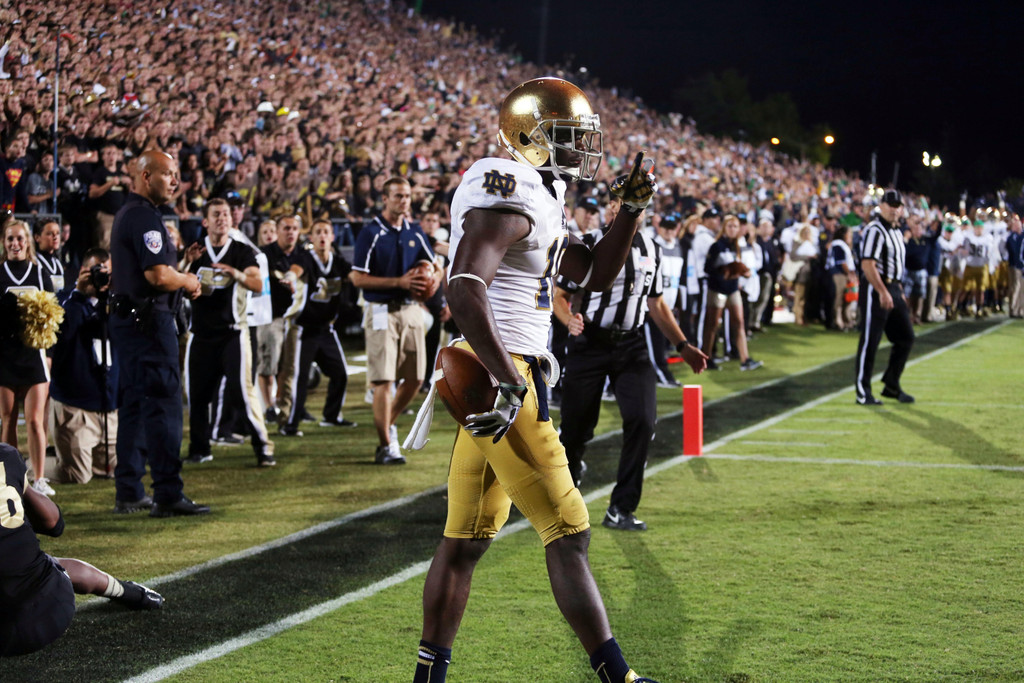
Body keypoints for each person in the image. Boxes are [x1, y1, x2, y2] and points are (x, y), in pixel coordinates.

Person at [413, 77, 661, 683]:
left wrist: (629, 212)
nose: (582, 150)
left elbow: (596, 273)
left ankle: (427, 679)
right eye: (569, 138)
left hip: (502, 378)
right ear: (531, 138)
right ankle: (619, 679)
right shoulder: (508, 187)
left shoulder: (543, 198)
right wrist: (506, 381)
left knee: (464, 541)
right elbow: (465, 287)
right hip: (508, 377)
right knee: (569, 531)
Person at [555, 210, 707, 531]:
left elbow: (657, 303)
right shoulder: (590, 243)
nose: (622, 209)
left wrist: (683, 345)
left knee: (641, 419)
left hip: (632, 344)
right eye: (618, 203)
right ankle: (568, 481)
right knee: (576, 429)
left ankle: (621, 507)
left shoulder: (653, 248)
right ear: (610, 209)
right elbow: (560, 295)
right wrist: (569, 319)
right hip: (590, 341)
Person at [108, 150, 210, 517]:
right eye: (168, 174)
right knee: (165, 406)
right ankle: (167, 493)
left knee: (134, 407)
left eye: (176, 174)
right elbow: (158, 276)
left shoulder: (132, 215)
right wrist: (188, 279)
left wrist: (180, 270)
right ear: (146, 176)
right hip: (149, 327)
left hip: (133, 322)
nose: (175, 181)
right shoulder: (143, 217)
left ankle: (130, 490)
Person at [0, 443, 163, 658]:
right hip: (56, 603)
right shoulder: (7, 456)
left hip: (6, 632)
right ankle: (132, 593)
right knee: (40, 563)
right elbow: (54, 523)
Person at [349, 177, 440, 465]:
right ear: (385, 198)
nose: (404, 200)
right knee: (384, 380)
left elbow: (435, 265)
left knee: (415, 378)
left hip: (411, 308)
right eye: (398, 196)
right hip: (379, 309)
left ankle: (388, 423)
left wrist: (433, 281)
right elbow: (357, 277)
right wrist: (399, 282)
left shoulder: (414, 230)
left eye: (407, 196)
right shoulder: (371, 232)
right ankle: (386, 445)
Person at [182, 198, 275, 466]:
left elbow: (258, 284)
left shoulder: (243, 251)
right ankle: (200, 448)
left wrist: (234, 273)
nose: (222, 218)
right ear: (205, 221)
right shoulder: (196, 250)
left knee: (243, 392)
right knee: (197, 395)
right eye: (216, 214)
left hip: (232, 332)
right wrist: (187, 263)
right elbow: (176, 281)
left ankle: (263, 447)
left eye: (225, 214)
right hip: (200, 333)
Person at [279, 219, 356, 435]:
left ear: (332, 237)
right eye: (318, 232)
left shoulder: (339, 262)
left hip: (326, 329)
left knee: (340, 373)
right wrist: (290, 277)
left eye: (326, 232)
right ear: (311, 238)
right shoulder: (306, 258)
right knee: (300, 377)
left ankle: (331, 416)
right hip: (303, 329)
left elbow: (355, 278)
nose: (322, 236)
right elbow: (296, 269)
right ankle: (290, 424)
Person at [49, 248, 118, 483]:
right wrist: (80, 293)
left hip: (108, 405)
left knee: (112, 472)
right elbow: (62, 335)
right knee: (77, 475)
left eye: (108, 272)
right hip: (75, 406)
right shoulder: (64, 300)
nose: (104, 278)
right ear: (84, 272)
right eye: (99, 271)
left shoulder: (116, 302)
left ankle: (61, 453)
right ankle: (34, 467)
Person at [0, 219, 54, 496]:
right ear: (4, 242)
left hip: (34, 355)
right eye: (10, 239)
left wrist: (50, 354)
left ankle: (40, 478)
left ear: (28, 242)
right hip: (5, 355)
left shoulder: (40, 273)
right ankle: (10, 477)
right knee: (8, 418)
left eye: (20, 239)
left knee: (34, 420)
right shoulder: (0, 273)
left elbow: (54, 316)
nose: (15, 244)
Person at [854, 190, 915, 405]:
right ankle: (863, 391)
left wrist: (898, 291)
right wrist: (882, 291)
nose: (894, 208)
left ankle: (891, 383)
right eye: (890, 204)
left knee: (906, 337)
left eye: (897, 205)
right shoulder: (875, 230)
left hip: (894, 288)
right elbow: (867, 264)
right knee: (871, 340)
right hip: (876, 288)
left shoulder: (897, 231)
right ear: (881, 205)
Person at [257, 214, 303, 425]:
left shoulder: (301, 254)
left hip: (293, 319)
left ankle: (284, 414)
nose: (291, 232)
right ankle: (267, 406)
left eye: (294, 228)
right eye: (286, 228)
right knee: (268, 365)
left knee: (289, 368)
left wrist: (292, 276)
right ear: (278, 231)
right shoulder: (265, 255)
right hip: (270, 317)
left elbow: (299, 267)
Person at [700, 215, 762, 371]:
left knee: (739, 323)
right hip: (718, 289)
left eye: (735, 226)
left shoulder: (737, 246)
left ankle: (745, 358)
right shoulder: (717, 246)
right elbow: (707, 268)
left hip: (733, 288)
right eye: (730, 226)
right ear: (724, 228)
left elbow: (737, 268)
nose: (733, 229)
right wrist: (725, 271)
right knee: (712, 325)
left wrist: (741, 272)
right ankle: (706, 358)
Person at [825, 226, 856, 331]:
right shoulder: (838, 244)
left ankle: (845, 320)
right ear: (844, 234)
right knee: (838, 297)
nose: (850, 236)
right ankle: (837, 321)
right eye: (849, 234)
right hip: (838, 274)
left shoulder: (840, 244)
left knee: (845, 297)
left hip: (841, 274)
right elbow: (841, 262)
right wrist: (850, 274)